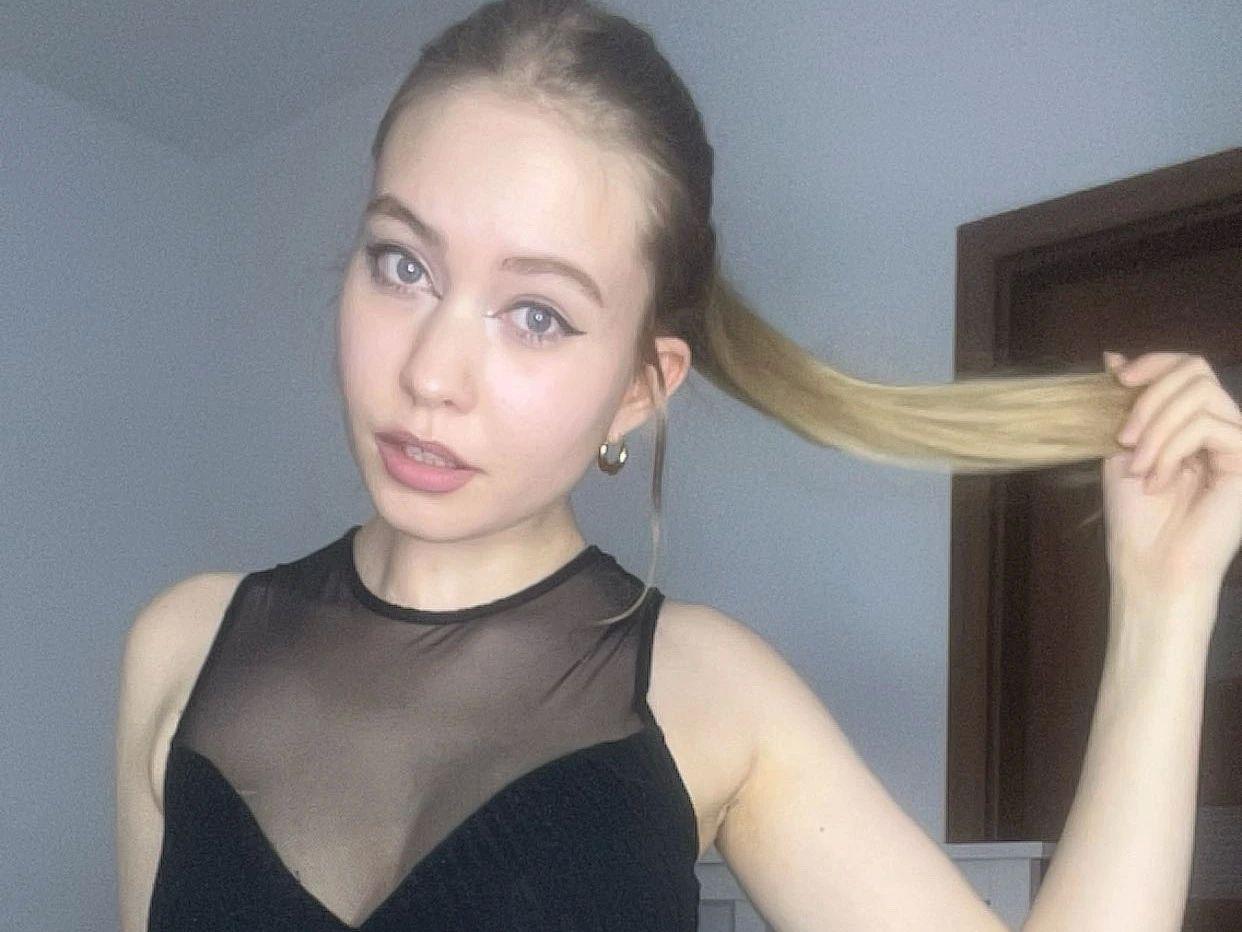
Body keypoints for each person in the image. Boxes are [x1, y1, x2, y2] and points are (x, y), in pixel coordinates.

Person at [115, 1, 1242, 929]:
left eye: (538, 315)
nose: (432, 373)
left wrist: (1166, 599)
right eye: (403, 264)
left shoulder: (709, 694)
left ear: (641, 387)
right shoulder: (183, 647)